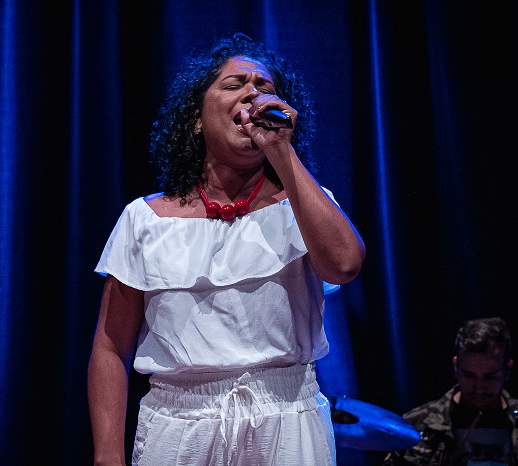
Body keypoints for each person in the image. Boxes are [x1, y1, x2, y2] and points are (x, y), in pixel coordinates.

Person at [87, 32, 366, 466]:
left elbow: (344, 265)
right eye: (235, 85)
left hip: (288, 422)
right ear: (197, 119)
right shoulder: (145, 219)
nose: (252, 94)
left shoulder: (302, 206)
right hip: (178, 428)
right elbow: (110, 346)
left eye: (264, 88)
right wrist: (108, 456)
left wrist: (280, 149)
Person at [383, 317, 518, 465]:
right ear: (455, 367)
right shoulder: (416, 424)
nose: (478, 387)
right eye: (469, 375)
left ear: (507, 370)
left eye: (489, 377)